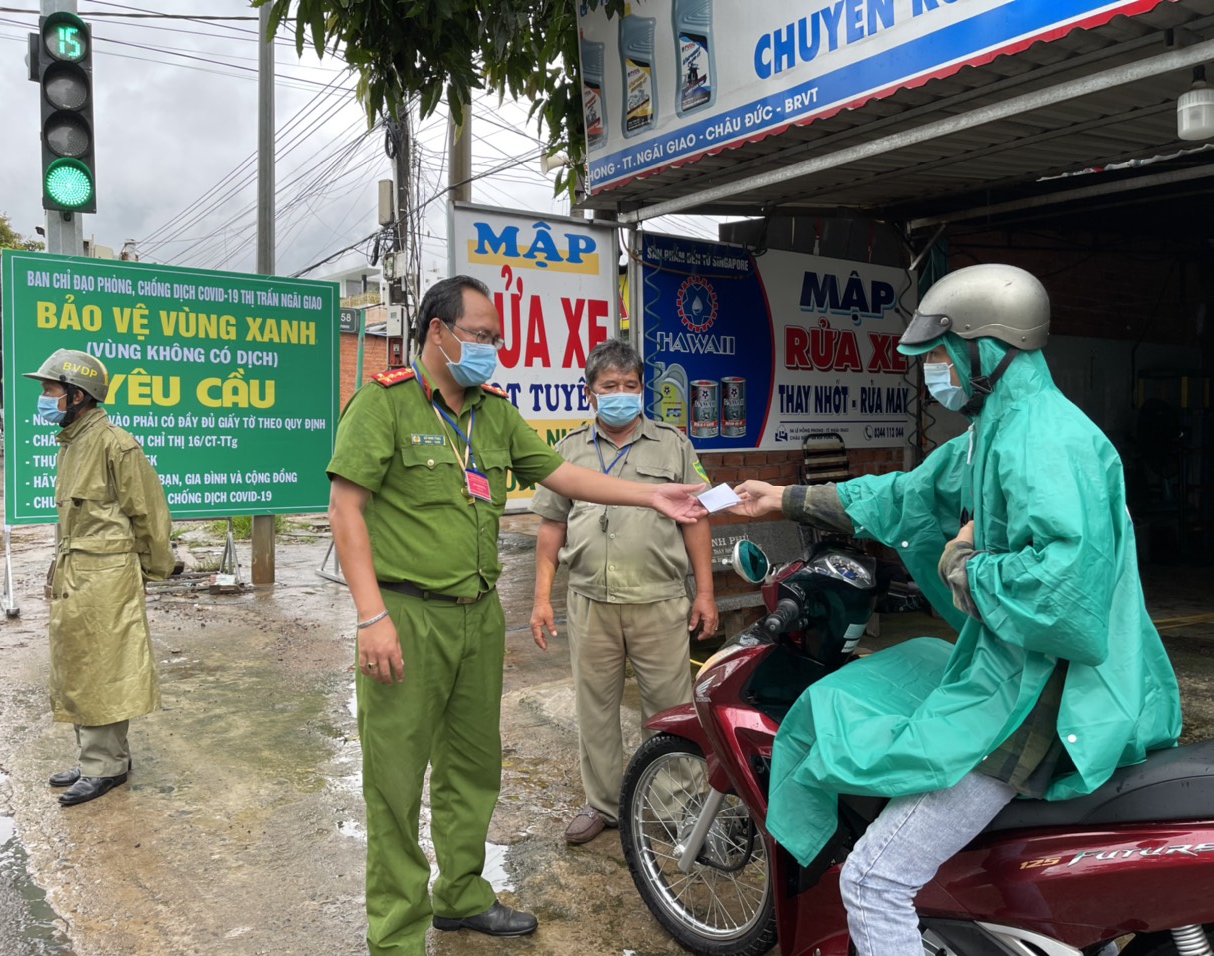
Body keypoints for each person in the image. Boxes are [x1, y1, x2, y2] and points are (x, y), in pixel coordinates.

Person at [734, 264, 1181, 956]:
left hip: (1040, 697)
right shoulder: (995, 431)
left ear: (988, 349)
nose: (931, 372)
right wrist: (785, 500)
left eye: (941, 356)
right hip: (1008, 666)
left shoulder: (1043, 441)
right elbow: (909, 495)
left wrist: (963, 568)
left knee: (874, 881)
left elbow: (1065, 590)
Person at [326, 275, 706, 956]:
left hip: (475, 617)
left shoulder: (494, 414)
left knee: (472, 767)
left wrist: (654, 499)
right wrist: (370, 616)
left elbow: (565, 478)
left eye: (496, 338)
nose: (492, 348)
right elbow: (345, 509)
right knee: (395, 776)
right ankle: (394, 933)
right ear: (437, 333)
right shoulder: (383, 406)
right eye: (481, 335)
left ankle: (461, 896)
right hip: (407, 616)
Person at [529, 340, 718, 844]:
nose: (621, 394)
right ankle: (605, 806)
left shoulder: (673, 444)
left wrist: (705, 594)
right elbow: (551, 528)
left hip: (659, 598)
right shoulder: (568, 450)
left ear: (642, 390)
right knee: (595, 708)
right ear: (591, 392)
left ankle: (676, 805)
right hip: (590, 601)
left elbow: (697, 523)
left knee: (670, 709)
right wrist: (542, 598)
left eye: (630, 386)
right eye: (609, 386)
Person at [24, 349, 174, 807]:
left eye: (50, 390)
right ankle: (100, 758)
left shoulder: (114, 443)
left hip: (107, 574)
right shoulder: (74, 442)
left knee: (104, 668)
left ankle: (104, 766)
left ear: (77, 394)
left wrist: (152, 568)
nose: (44, 398)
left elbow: (149, 513)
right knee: (81, 665)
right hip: (79, 572)